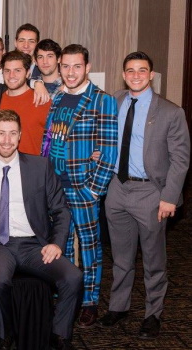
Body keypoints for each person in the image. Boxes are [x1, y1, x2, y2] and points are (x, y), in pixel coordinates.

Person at [97, 52, 190, 339]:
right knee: (121, 257)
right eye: (130, 71)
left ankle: (153, 314)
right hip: (117, 189)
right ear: (123, 75)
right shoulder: (115, 101)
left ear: (151, 74)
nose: (136, 75)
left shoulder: (171, 112)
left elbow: (181, 159)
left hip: (151, 192)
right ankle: (118, 306)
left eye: (142, 70)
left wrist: (169, 197)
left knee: (153, 260)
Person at [0, 110, 82, 350]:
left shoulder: (40, 167)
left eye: (12, 133)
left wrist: (56, 243)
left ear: (20, 135)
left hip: (34, 244)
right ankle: (5, 334)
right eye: (1, 133)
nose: (7, 140)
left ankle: (59, 335)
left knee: (73, 277)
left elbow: (61, 210)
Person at [41, 44, 118, 327]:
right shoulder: (58, 97)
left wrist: (94, 190)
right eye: (65, 66)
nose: (70, 72)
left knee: (89, 246)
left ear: (87, 68)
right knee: (62, 247)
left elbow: (109, 152)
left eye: (77, 66)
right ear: (59, 68)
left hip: (83, 187)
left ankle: (89, 301)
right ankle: (69, 296)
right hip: (55, 187)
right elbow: (50, 140)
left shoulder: (102, 100)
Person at [0, 51, 51, 155]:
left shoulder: (43, 100)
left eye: (17, 70)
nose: (11, 75)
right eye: (7, 71)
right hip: (2, 167)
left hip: (34, 166)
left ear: (28, 73)